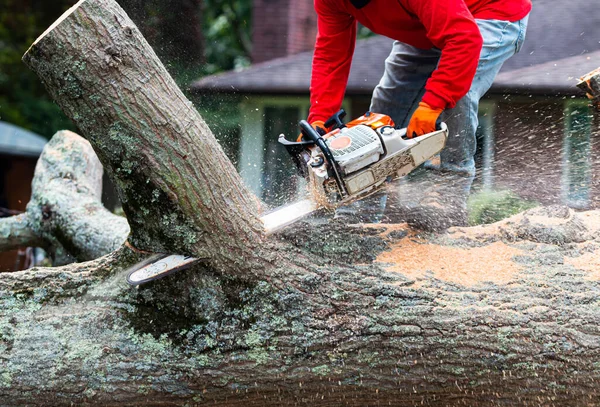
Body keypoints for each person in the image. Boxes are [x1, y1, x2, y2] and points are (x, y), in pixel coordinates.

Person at [307, 0, 531, 230]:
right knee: (384, 108)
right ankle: (359, 206)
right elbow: (330, 55)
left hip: (489, 15)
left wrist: (433, 103)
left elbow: (464, 38)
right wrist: (321, 118)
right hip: (428, 26)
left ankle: (448, 196)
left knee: (456, 93)